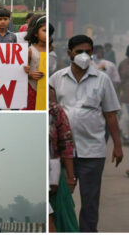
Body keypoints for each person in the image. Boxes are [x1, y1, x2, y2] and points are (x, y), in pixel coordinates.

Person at [50, 35, 123, 232]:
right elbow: (50, 112)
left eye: (87, 52)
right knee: (59, 199)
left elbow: (110, 115)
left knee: (90, 202)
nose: (84, 56)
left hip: (92, 150)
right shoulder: (57, 78)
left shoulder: (102, 79)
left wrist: (117, 145)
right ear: (69, 54)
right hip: (62, 153)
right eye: (79, 52)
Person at [49, 87, 79, 232]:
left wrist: (71, 178)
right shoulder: (20, 110)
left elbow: (66, 145)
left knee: (63, 221)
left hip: (54, 178)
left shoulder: (55, 111)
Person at [22, 14, 46, 110]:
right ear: (36, 33)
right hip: (32, 89)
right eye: (44, 31)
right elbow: (22, 72)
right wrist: (30, 75)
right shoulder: (30, 50)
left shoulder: (52, 52)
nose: (47, 34)